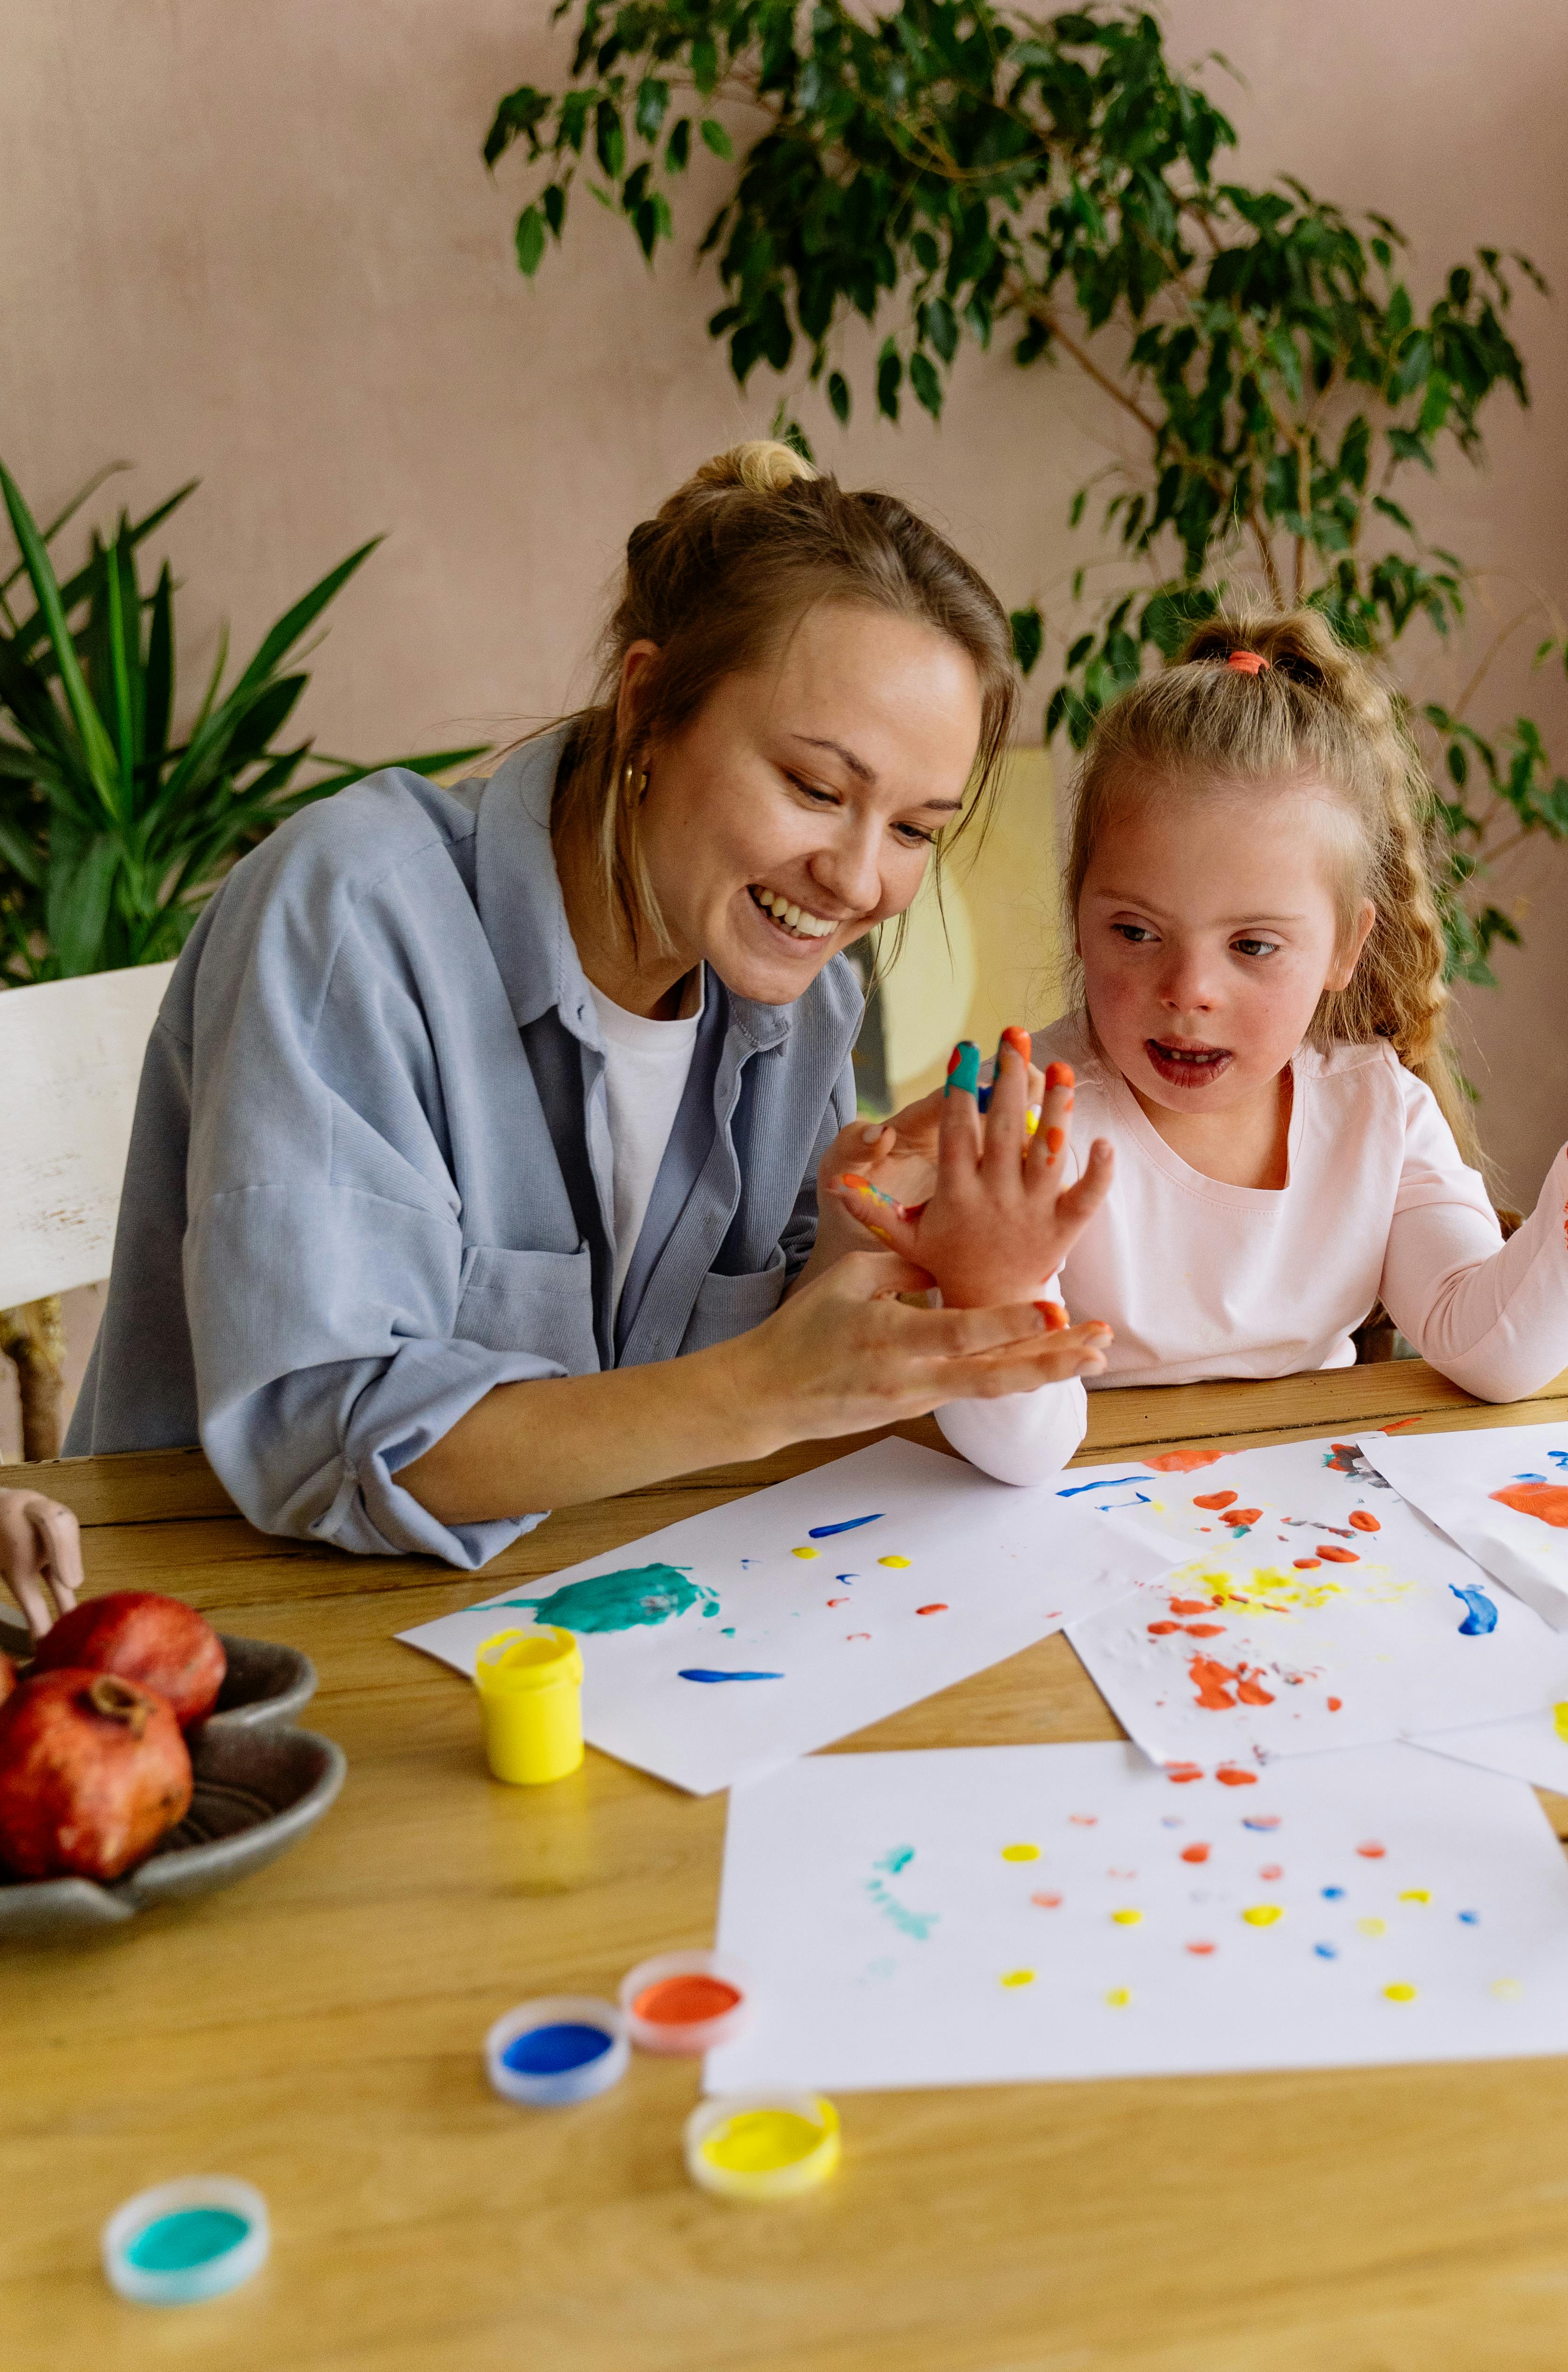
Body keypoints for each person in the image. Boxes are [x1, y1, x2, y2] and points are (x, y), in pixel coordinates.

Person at [65, 445, 1112, 1566]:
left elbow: (716, 1388)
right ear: (650, 704)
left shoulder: (799, 1000)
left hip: (595, 1625)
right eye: (815, 789)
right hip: (235, 1637)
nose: (859, 883)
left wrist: (866, 1250)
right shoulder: (353, 913)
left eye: (914, 829)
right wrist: (765, 1387)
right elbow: (332, 1445)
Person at [844, 607, 1568, 1485]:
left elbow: (1489, 1350)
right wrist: (988, 1282)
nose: (1188, 990)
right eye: (1135, 932)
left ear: (1345, 947)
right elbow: (1023, 1451)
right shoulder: (1024, 1130)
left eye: (1253, 945)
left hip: (1310, 1553)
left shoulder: (1377, 1116)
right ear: (1078, 916)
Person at [0, 1487, 81, 1636]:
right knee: (60, 1585)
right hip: (29, 1498)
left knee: (27, 1587)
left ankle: (41, 1637)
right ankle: (74, 1626)